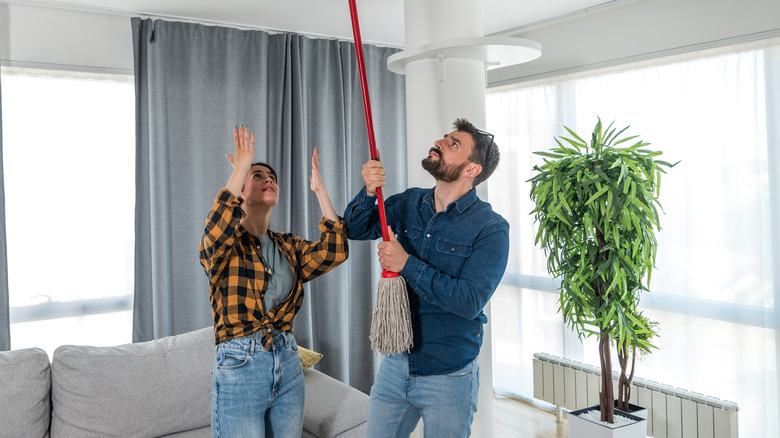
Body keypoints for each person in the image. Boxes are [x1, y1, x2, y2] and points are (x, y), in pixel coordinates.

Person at [343, 118, 510, 437]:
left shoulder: (490, 228)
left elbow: (468, 301)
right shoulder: (408, 203)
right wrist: (368, 191)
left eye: (454, 144)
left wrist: (406, 263)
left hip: (449, 375)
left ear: (471, 170)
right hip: (395, 366)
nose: (441, 142)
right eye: (445, 137)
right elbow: (356, 228)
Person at [199, 125, 349, 438]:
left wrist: (320, 191)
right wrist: (241, 166)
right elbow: (215, 231)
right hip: (240, 363)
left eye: (273, 178)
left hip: (288, 361)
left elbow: (335, 251)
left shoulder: (288, 245)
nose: (269, 179)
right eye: (258, 176)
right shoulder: (227, 244)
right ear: (242, 189)